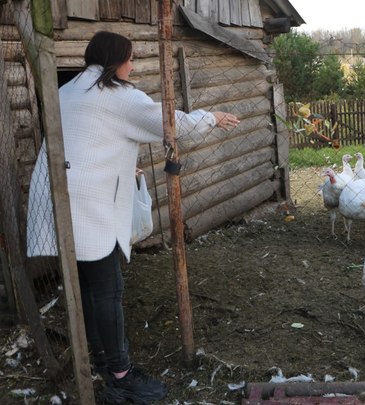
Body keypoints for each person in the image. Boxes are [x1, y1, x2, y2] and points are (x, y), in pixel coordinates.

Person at [25, 31, 239, 403]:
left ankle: (99, 357)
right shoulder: (117, 95)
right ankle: (120, 374)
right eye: (130, 58)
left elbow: (87, 140)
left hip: (59, 197)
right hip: (88, 204)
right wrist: (213, 117)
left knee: (88, 286)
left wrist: (121, 169)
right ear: (114, 61)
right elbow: (172, 123)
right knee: (109, 289)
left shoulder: (68, 89)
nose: (133, 65)